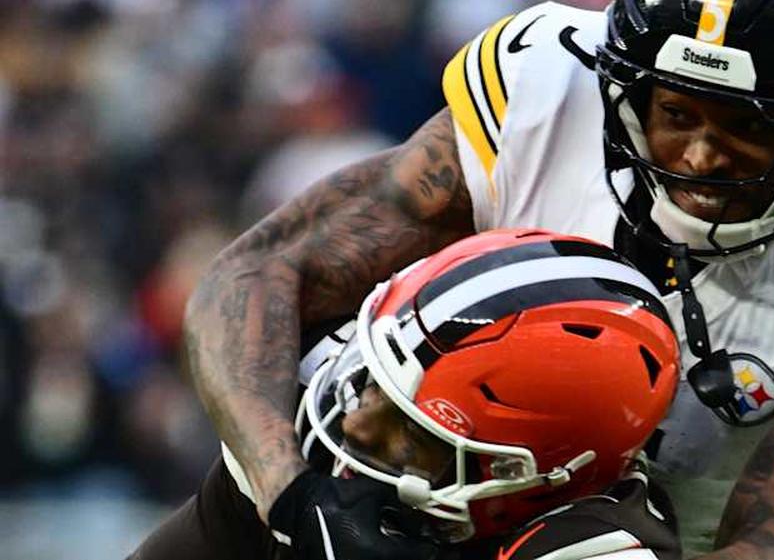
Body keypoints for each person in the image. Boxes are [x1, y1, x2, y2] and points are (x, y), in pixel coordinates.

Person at [183, 0, 774, 559]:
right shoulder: (544, 86)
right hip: (395, 458)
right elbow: (257, 272)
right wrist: (292, 493)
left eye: (747, 126)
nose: (699, 153)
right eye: (675, 111)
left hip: (610, 533)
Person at [131, 229, 683, 560]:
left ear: (535, 476)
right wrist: (287, 496)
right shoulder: (309, 431)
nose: (356, 426)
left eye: (413, 430)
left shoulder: (595, 547)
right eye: (372, 384)